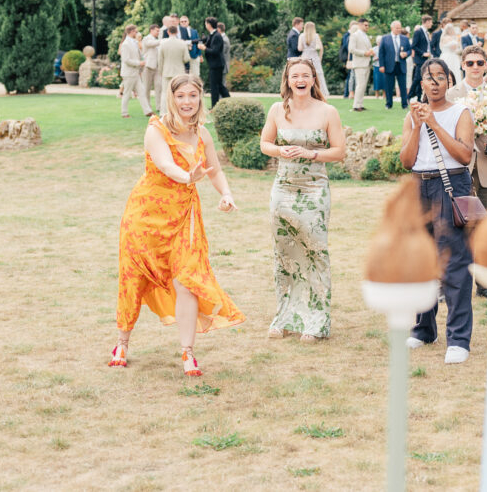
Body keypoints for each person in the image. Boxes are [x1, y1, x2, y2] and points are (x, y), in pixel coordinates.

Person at [111, 74, 243, 376]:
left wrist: (226, 193)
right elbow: (166, 165)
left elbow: (215, 170)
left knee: (186, 281)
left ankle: (188, 352)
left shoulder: (203, 134)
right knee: (134, 279)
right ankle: (122, 341)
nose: (187, 102)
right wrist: (189, 177)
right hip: (145, 217)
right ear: (172, 98)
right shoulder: (156, 129)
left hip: (184, 217)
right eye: (181, 96)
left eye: (192, 96)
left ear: (200, 98)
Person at [259, 59, 346, 341]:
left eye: (305, 75)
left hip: (314, 190)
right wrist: (280, 152)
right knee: (285, 253)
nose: (300, 79)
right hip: (283, 188)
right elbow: (265, 144)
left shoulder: (328, 111)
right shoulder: (276, 109)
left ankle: (317, 320)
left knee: (314, 251)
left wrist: (311, 154)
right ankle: (286, 316)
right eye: (295, 75)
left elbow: (339, 151)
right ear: (287, 79)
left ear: (313, 79)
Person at [400, 58, 476, 364]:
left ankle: (458, 338)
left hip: (451, 186)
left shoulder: (461, 112)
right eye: (428, 78)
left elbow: (464, 154)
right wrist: (418, 125)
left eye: (440, 78)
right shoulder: (412, 115)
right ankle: (423, 328)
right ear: (421, 84)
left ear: (449, 82)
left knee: (454, 263)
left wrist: (433, 123)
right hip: (420, 186)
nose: (434, 83)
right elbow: (406, 160)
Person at [446, 45, 487, 297]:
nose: (475, 67)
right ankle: (453, 280)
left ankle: (484, 284)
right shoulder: (450, 95)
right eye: (470, 62)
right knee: (454, 225)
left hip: (486, 167)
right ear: (462, 65)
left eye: (480, 63)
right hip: (457, 168)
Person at [120, 25, 152, 118]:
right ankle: (124, 113)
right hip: (129, 73)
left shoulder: (134, 42)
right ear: (131, 32)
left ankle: (148, 111)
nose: (137, 33)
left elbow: (138, 55)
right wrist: (139, 63)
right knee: (127, 93)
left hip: (136, 72)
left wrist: (142, 61)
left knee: (141, 92)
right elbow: (126, 60)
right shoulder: (125, 44)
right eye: (135, 31)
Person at [157, 24, 190, 115]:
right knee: (179, 93)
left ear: (168, 32)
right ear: (177, 32)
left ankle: (163, 112)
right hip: (179, 72)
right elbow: (186, 58)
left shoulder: (163, 44)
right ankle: (178, 112)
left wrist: (161, 71)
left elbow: (160, 60)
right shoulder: (182, 43)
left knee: (165, 93)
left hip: (166, 71)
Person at [378, 21, 412, 110]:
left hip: (401, 65)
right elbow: (381, 53)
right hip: (389, 65)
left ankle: (404, 104)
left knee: (403, 86)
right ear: (392, 28)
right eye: (397, 28)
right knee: (389, 86)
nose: (399, 29)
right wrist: (381, 65)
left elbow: (410, 50)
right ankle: (389, 104)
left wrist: (406, 53)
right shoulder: (385, 38)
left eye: (400, 27)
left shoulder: (405, 38)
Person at [203, 17, 230, 109]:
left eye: (206, 23)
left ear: (209, 25)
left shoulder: (217, 36)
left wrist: (204, 49)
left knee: (215, 86)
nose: (205, 25)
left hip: (217, 65)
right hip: (214, 64)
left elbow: (215, 51)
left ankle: (214, 106)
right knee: (218, 85)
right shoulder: (212, 35)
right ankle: (227, 101)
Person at [298, 21, 329, 97]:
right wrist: (320, 58)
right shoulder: (316, 36)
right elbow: (321, 48)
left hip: (305, 57)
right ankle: (321, 93)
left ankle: (305, 91)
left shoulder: (301, 36)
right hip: (314, 57)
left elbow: (299, 48)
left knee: (305, 74)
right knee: (318, 75)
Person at [349, 21, 374, 111]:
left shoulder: (366, 36)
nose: (367, 27)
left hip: (367, 63)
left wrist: (371, 52)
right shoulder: (355, 35)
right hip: (359, 63)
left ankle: (360, 104)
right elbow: (351, 49)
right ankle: (356, 105)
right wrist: (364, 53)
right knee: (360, 85)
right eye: (365, 25)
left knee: (363, 85)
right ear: (359, 25)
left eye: (368, 25)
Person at [408, 15, 434, 101]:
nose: (432, 24)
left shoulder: (426, 32)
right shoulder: (418, 32)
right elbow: (413, 46)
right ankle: (409, 96)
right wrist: (423, 53)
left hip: (425, 59)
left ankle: (419, 98)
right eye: (430, 22)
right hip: (420, 59)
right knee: (417, 78)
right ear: (426, 22)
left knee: (422, 78)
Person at [141, 24, 160, 112]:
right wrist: (162, 41)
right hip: (148, 66)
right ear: (151, 30)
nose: (158, 32)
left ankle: (159, 106)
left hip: (156, 67)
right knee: (146, 88)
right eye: (157, 30)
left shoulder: (156, 40)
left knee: (158, 87)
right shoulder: (147, 38)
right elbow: (150, 44)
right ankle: (147, 108)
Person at [218, 22, 231, 91]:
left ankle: (222, 99)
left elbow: (221, 53)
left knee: (222, 84)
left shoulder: (224, 40)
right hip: (222, 64)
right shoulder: (223, 38)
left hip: (223, 65)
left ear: (219, 29)